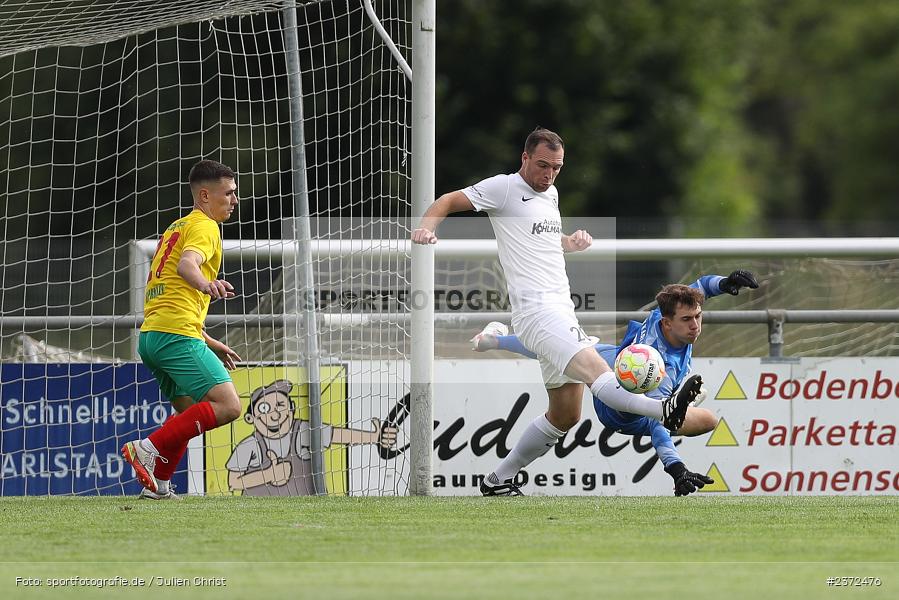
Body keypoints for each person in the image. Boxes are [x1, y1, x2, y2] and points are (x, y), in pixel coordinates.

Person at [411, 127, 704, 496]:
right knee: (599, 374)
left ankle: (498, 480)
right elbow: (447, 201)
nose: (549, 174)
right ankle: (663, 410)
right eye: (542, 165)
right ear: (525, 158)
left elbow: (544, 240)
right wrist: (424, 230)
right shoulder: (503, 188)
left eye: (557, 168)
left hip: (561, 310)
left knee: (566, 415)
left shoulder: (550, 193)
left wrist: (570, 242)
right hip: (539, 313)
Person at [472, 271, 759, 496]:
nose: (695, 325)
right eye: (687, 320)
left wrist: (725, 282)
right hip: (621, 411)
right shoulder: (662, 369)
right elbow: (659, 424)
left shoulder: (663, 315)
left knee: (567, 352)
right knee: (707, 419)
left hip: (617, 359)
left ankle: (492, 341)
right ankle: (681, 402)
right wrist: (676, 468)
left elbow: (702, 287)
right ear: (668, 323)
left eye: (698, 317)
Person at [121, 159, 242, 500]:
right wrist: (207, 284)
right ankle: (147, 448)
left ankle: (159, 485)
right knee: (229, 406)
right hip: (176, 336)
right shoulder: (205, 227)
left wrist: (209, 340)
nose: (234, 200)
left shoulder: (178, 226)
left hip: (154, 336)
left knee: (188, 412)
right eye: (228, 193)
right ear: (204, 195)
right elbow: (188, 265)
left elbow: (171, 296)